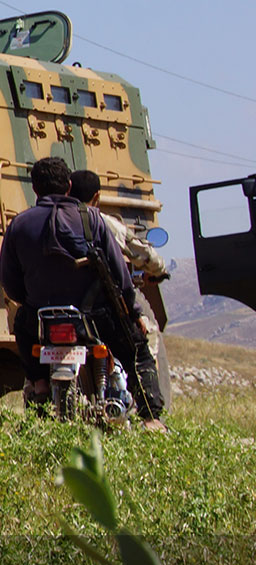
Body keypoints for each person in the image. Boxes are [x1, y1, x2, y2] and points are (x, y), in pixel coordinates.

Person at [0, 156, 166, 428]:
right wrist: (133, 312)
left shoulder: (19, 225)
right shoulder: (92, 219)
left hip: (42, 317)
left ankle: (41, 386)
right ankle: (151, 419)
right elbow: (121, 278)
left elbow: (10, 282)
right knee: (138, 351)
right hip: (95, 317)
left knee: (23, 326)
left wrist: (31, 302)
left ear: (35, 189)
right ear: (68, 186)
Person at [66, 167, 171, 421]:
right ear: (97, 197)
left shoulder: (49, 222)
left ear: (68, 191)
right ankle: (151, 418)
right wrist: (159, 270)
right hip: (100, 307)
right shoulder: (103, 222)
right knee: (143, 349)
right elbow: (142, 253)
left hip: (58, 306)